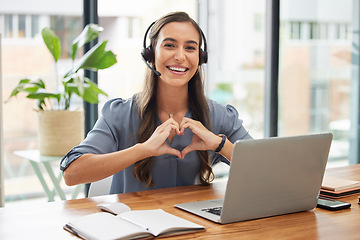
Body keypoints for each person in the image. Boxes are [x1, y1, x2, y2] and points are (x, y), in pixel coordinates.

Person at [60, 11, 252, 194]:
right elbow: (71, 173)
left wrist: (219, 145)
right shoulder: (119, 114)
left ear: (200, 58)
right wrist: (142, 150)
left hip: (196, 225)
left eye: (190, 48)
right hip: (131, 224)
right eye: (169, 45)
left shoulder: (219, 115)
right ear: (150, 54)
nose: (180, 56)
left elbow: (268, 170)